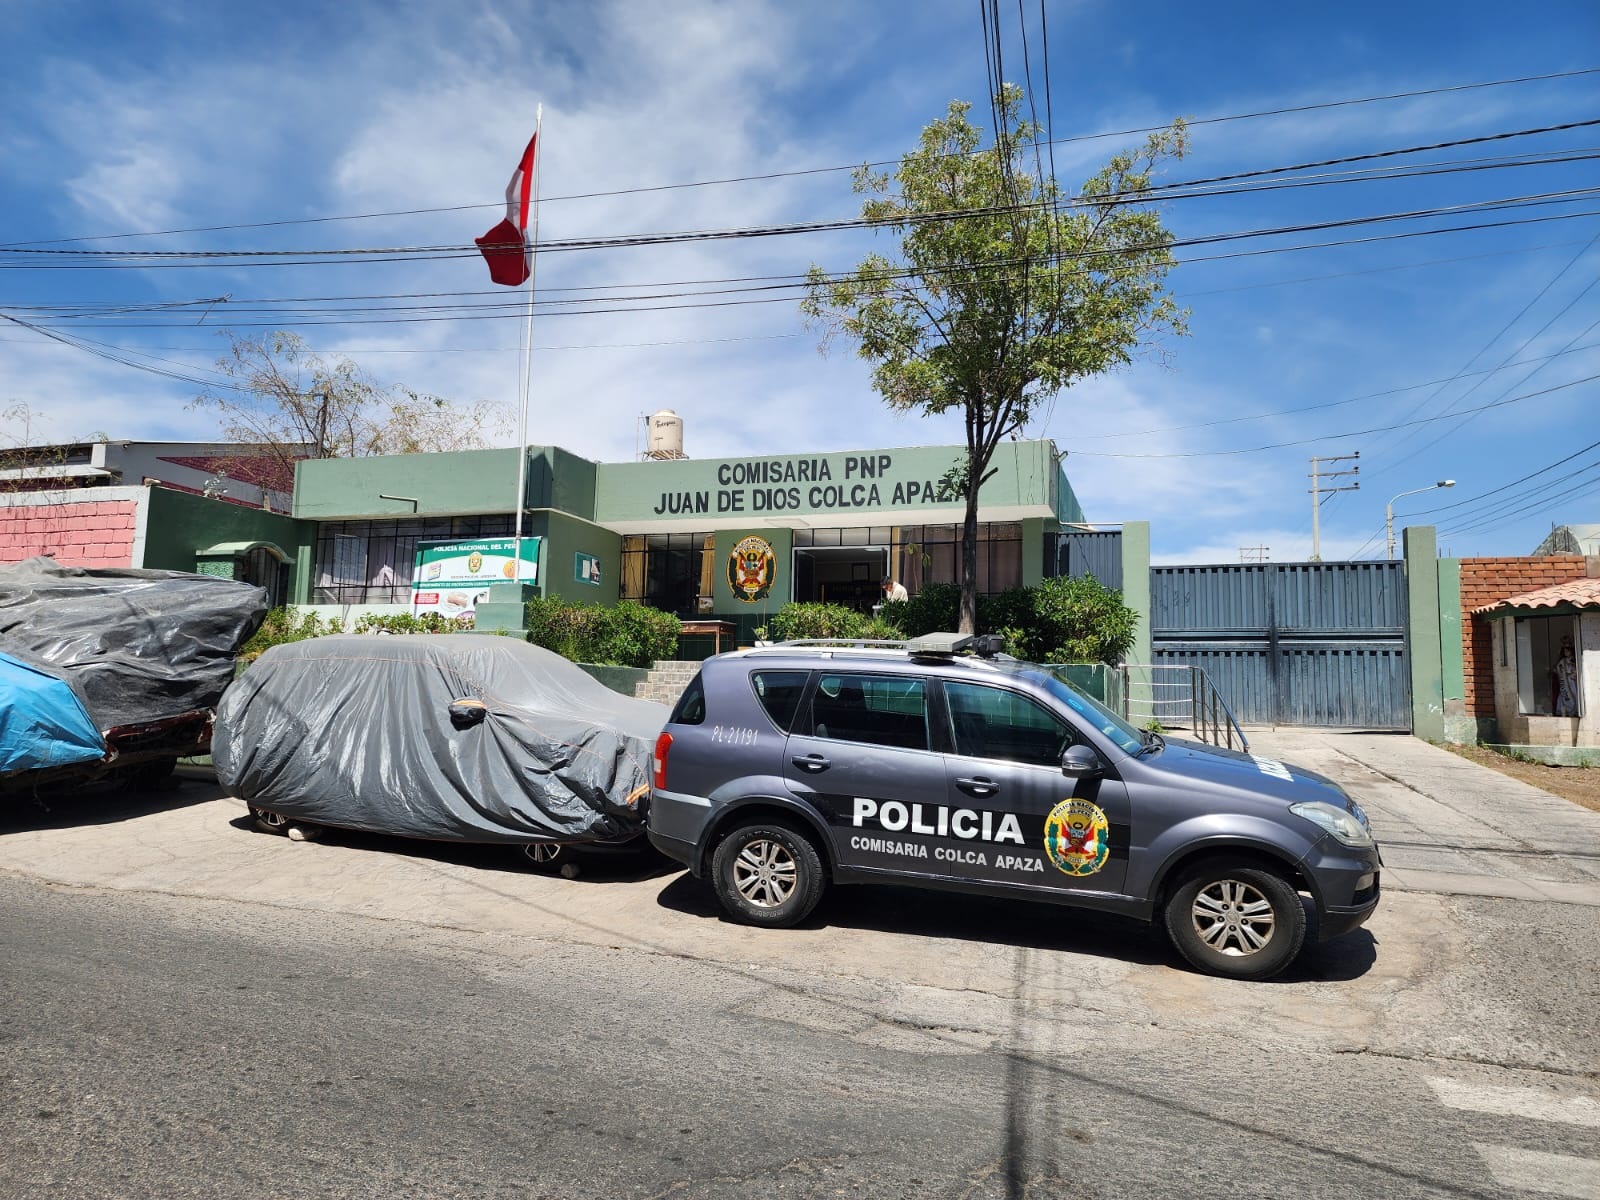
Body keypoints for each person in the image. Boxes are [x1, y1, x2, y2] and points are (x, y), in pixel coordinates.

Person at [1553, 636, 1579, 717]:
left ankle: (1574, 712)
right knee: (1562, 699)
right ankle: (1565, 712)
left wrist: (1571, 674)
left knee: (1574, 697)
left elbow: (1577, 671)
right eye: (1564, 650)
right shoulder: (1561, 661)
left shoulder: (1575, 660)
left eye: (1567, 650)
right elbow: (1557, 670)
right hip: (1564, 684)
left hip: (1572, 684)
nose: (1566, 652)